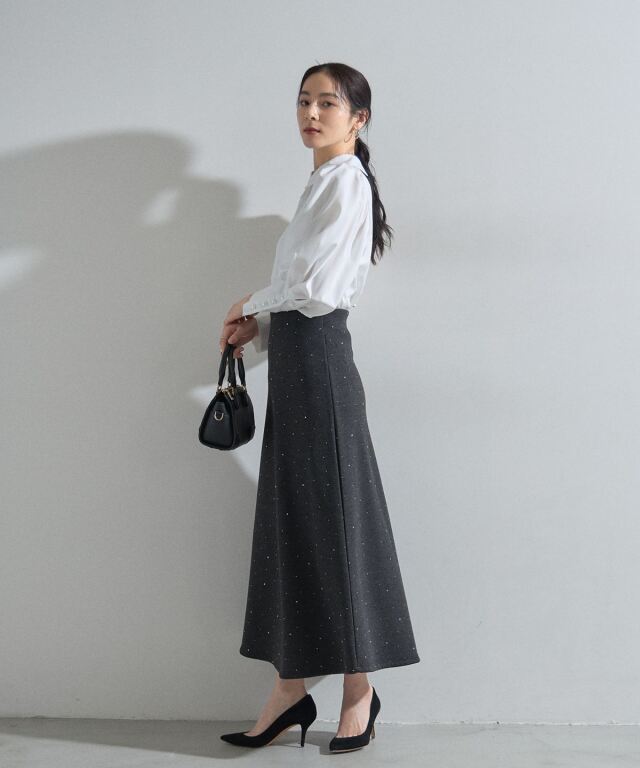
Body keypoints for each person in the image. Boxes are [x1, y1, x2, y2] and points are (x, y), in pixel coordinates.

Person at [218, 63, 420, 753]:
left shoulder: (345, 182)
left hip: (323, 370)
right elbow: (302, 296)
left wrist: (249, 303)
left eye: (327, 103)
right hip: (301, 365)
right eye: (304, 101)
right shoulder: (322, 183)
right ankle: (290, 688)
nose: (311, 112)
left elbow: (319, 289)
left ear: (359, 118)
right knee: (296, 522)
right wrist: (256, 332)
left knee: (336, 523)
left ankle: (359, 690)